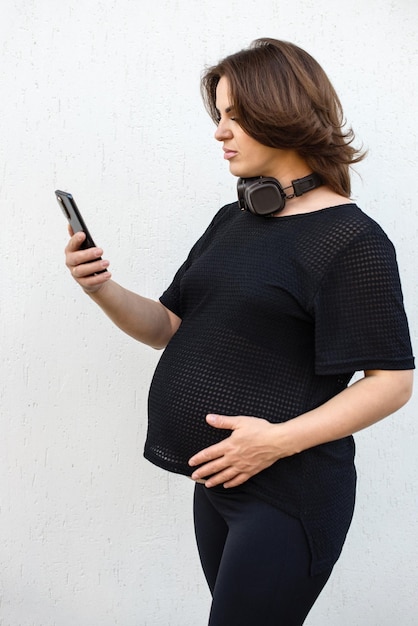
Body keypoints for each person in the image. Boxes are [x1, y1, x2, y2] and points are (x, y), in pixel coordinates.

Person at [64, 38, 414, 626]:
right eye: (219, 115)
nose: (221, 132)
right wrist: (102, 287)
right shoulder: (234, 220)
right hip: (219, 485)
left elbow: (392, 383)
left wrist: (275, 441)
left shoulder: (352, 242)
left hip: (288, 495)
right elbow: (168, 328)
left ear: (283, 112)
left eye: (236, 115)